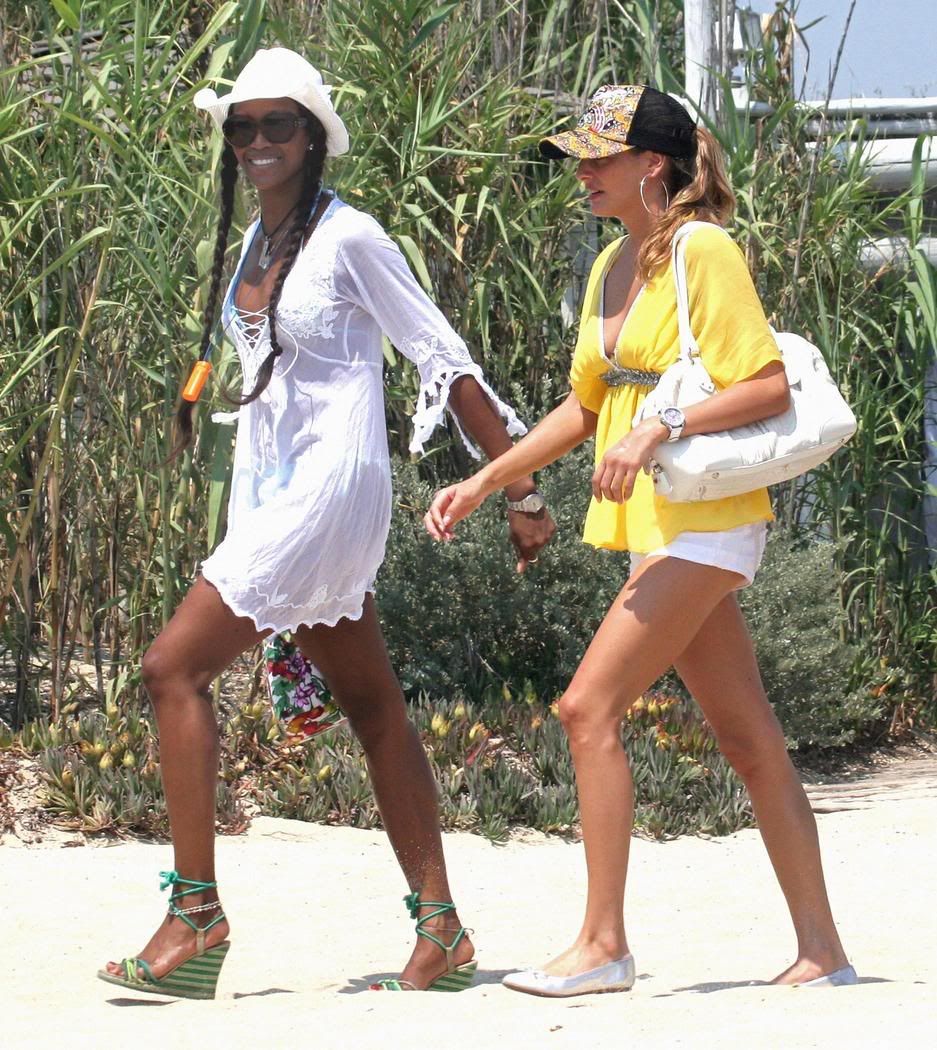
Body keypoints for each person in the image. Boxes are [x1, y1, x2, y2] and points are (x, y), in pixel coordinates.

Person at [99, 47, 554, 999]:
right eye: (242, 125)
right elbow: (273, 368)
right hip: (271, 484)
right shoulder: (258, 242)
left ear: (312, 137)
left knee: (170, 668)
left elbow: (443, 358)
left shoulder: (351, 238)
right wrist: (199, 401)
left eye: (277, 124)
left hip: (330, 491)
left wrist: (518, 488)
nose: (257, 140)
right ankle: (443, 934)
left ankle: (195, 917)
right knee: (373, 706)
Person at [425, 84, 857, 996]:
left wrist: (657, 428)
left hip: (705, 521)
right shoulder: (610, 266)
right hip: (653, 529)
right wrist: (487, 480)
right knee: (749, 743)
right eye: (577, 157)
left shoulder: (703, 249)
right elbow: (586, 408)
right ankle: (823, 955)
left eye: (597, 156)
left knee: (587, 709)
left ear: (650, 164)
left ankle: (602, 945)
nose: (580, 172)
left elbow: (768, 386)